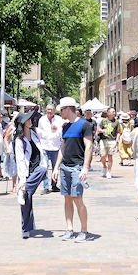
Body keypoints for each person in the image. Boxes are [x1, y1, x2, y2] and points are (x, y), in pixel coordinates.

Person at [52, 97, 93, 243]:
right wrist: (56, 167)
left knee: (77, 199)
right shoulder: (65, 127)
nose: (60, 113)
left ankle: (84, 230)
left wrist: (85, 168)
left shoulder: (84, 125)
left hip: (77, 167)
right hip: (65, 167)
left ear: (68, 109)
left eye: (61, 110)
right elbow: (63, 148)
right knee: (67, 198)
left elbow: (89, 146)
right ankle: (69, 229)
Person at [13, 113, 45, 239]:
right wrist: (22, 179)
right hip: (26, 172)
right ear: (23, 123)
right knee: (26, 201)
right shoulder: (19, 140)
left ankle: (24, 188)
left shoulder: (35, 133)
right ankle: (26, 228)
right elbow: (20, 160)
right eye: (27, 119)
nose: (30, 120)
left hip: (37, 169)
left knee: (43, 170)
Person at [36, 104, 63, 194]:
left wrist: (57, 128)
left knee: (55, 166)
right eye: (48, 109)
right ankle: (46, 186)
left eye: (51, 109)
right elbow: (39, 132)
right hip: (44, 146)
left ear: (54, 111)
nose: (49, 111)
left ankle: (54, 185)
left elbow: (62, 131)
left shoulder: (59, 119)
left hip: (55, 146)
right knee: (45, 167)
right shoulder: (42, 120)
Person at [97, 108, 121, 179]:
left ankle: (109, 172)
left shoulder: (116, 122)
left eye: (114, 111)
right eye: (112, 111)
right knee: (103, 155)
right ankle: (104, 166)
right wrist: (102, 131)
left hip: (112, 140)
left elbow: (119, 132)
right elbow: (99, 129)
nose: (114, 113)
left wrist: (117, 140)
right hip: (103, 139)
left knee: (110, 156)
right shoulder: (104, 121)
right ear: (108, 113)